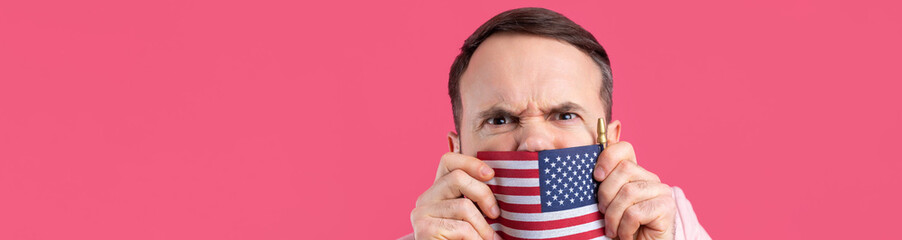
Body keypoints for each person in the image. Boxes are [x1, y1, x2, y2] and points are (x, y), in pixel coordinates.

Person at [402, 7, 710, 240]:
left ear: (610, 141)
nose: (535, 141)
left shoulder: (670, 223)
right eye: (499, 120)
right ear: (457, 150)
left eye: (564, 116)